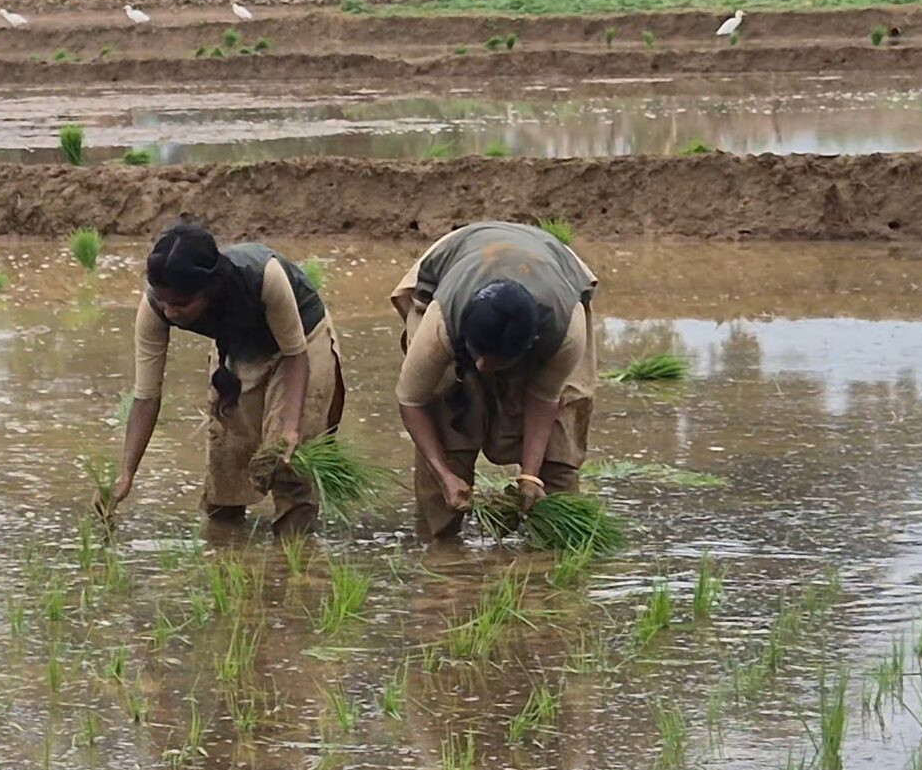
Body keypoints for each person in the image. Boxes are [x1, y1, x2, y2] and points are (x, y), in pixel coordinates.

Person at [114, 219, 347, 536]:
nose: (169, 312)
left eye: (181, 304)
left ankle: (294, 551)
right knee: (226, 461)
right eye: (163, 301)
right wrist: (126, 474)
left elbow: (296, 355)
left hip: (302, 341)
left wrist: (291, 428)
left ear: (209, 290)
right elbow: (146, 396)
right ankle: (225, 549)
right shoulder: (156, 305)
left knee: (288, 462)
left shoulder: (264, 276)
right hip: (238, 347)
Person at [390, 221, 600, 541]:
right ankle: (441, 551)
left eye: (497, 362)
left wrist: (530, 476)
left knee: (560, 445)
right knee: (446, 422)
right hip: (455, 261)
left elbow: (544, 398)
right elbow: (411, 401)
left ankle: (553, 549)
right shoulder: (442, 322)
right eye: (479, 356)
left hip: (555, 270)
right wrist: (444, 474)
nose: (483, 367)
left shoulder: (565, 331)